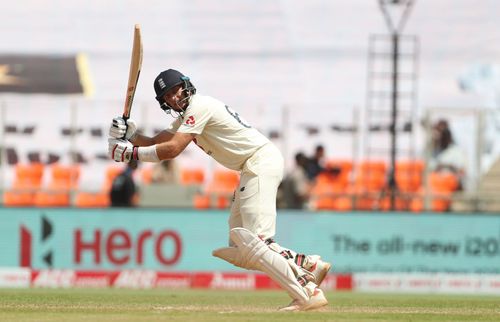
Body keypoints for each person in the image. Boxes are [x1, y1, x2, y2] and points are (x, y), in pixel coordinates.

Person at [107, 69, 330, 311]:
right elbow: (156, 142)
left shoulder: (200, 106)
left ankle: (308, 291)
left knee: (255, 242)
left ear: (186, 85)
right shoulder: (187, 116)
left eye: (175, 90)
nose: (173, 97)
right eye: (167, 96)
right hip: (252, 166)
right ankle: (307, 265)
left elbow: (172, 150)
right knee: (241, 245)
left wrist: (130, 153)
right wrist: (131, 135)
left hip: (259, 162)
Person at [429, 120, 467, 190]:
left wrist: (450, 167)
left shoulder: (456, 151)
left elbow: (462, 171)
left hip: (452, 186)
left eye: (443, 137)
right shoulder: (434, 152)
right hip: (436, 186)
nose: (441, 140)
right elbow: (430, 168)